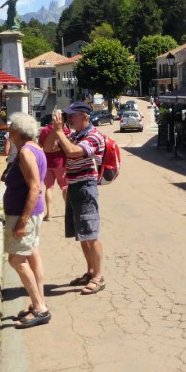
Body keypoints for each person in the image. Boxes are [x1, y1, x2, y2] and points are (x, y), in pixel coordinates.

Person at [47, 102, 106, 294]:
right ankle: (90, 271)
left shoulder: (94, 136)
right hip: (73, 186)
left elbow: (72, 153)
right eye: (68, 116)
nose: (70, 119)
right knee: (82, 234)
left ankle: (98, 277)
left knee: (91, 232)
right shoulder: (72, 135)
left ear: (85, 117)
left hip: (86, 187)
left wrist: (60, 132)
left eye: (73, 116)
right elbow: (48, 148)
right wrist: (56, 130)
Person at [2, 112, 50, 329]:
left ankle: (40, 307)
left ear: (18, 132)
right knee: (31, 255)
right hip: (31, 212)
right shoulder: (36, 148)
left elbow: (34, 188)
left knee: (16, 260)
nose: (8, 131)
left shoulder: (25, 152)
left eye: (11, 128)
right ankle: (38, 301)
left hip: (24, 213)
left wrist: (22, 221)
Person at [38, 113, 69, 221]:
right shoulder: (65, 131)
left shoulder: (45, 130)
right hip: (61, 163)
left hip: (47, 163)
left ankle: (49, 214)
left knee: (49, 188)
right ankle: (68, 211)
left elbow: (40, 145)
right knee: (65, 187)